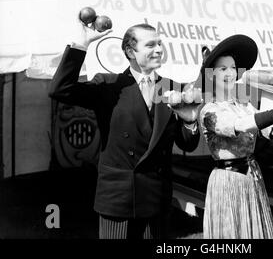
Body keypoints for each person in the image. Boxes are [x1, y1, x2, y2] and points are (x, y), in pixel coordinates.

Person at [49, 15, 200, 239]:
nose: (159, 49)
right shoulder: (109, 85)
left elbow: (187, 143)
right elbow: (60, 89)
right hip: (117, 199)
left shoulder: (173, 89)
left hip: (156, 199)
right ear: (131, 52)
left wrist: (189, 120)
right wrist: (82, 44)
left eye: (160, 44)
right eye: (150, 45)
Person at [197, 35, 273, 239]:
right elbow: (242, 125)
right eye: (222, 69)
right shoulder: (209, 111)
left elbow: (263, 130)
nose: (230, 73)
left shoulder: (243, 105)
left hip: (252, 178)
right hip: (228, 181)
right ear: (211, 75)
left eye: (233, 67)